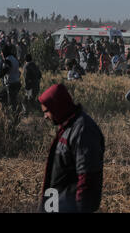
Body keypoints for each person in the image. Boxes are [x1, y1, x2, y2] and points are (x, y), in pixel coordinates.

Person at [38, 84, 105, 213]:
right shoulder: (67, 126)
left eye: (47, 111)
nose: (45, 116)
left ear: (57, 107)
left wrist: (81, 208)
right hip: (58, 205)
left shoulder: (83, 130)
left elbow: (87, 176)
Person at [0, 45, 21, 110]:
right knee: (12, 101)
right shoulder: (14, 59)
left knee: (1, 98)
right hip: (17, 83)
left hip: (10, 84)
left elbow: (3, 72)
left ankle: (10, 115)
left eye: (2, 52)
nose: (1, 54)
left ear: (4, 52)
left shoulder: (7, 60)